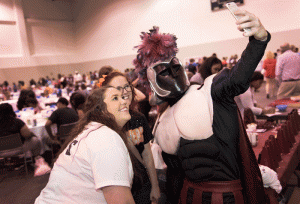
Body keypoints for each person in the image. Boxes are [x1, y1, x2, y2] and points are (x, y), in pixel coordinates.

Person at [133, 9, 277, 204]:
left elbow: (239, 76)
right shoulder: (162, 124)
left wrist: (258, 40)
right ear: (151, 82)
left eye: (175, 67)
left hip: (230, 196)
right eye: (164, 72)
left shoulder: (212, 91)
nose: (173, 74)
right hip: (190, 196)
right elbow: (176, 175)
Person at [35, 86, 138, 204]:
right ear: (101, 109)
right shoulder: (104, 137)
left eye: (123, 97)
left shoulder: (94, 132)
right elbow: (122, 201)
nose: (124, 101)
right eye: (115, 98)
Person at [102, 71, 161, 204]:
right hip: (117, 190)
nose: (124, 91)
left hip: (142, 185)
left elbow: (147, 154)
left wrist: (155, 186)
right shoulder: (103, 124)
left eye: (126, 86)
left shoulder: (138, 118)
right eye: (117, 89)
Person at [0, 103, 51, 177]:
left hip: (1, 152)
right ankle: (37, 159)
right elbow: (27, 134)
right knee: (35, 140)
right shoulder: (17, 122)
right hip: (18, 149)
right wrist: (33, 135)